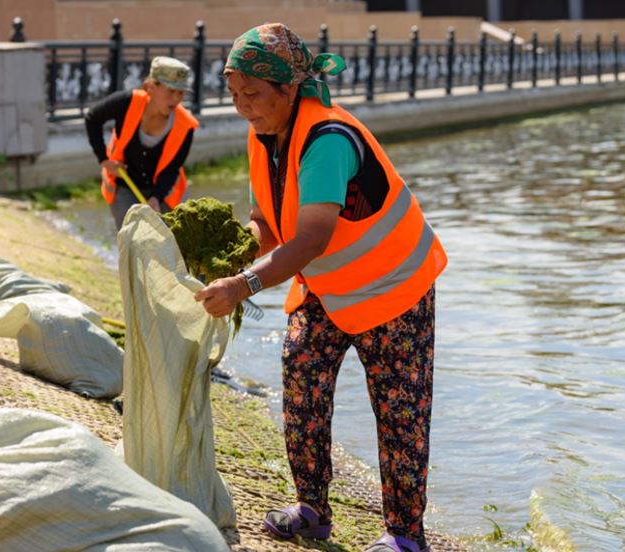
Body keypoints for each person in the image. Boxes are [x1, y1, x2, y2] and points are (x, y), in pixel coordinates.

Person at [194, 23, 447, 552]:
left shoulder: (328, 139)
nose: (243, 106)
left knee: (400, 414)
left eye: (254, 94)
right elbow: (269, 220)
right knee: (302, 385)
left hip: (394, 289)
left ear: (289, 90)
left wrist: (243, 284)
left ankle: (405, 536)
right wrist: (233, 252)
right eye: (234, 94)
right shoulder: (264, 133)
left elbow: (310, 238)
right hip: (327, 292)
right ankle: (311, 510)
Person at [84, 56, 198, 230]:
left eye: (181, 93)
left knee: (168, 243)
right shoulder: (126, 102)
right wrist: (104, 159)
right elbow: (92, 118)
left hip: (164, 191)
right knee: (132, 239)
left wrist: (155, 197)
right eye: (171, 91)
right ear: (151, 87)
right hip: (124, 183)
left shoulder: (186, 125)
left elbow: (172, 169)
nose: (176, 99)